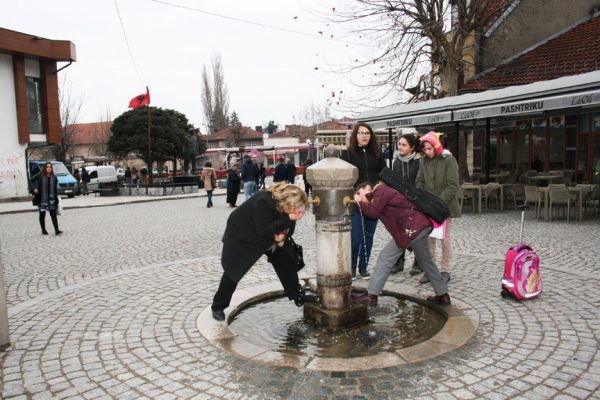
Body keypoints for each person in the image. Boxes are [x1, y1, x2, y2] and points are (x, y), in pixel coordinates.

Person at [211, 182, 314, 321]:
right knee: (234, 270)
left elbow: (289, 228)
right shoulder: (263, 200)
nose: (296, 210)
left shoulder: (287, 208)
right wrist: (287, 220)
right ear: (286, 201)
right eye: (294, 207)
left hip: (269, 235)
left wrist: (283, 235)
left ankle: (298, 296)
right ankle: (218, 306)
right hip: (244, 236)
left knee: (286, 261)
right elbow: (264, 229)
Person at [350, 181, 451, 305]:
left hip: (411, 228)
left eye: (359, 193)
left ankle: (371, 295)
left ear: (368, 188)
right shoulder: (381, 193)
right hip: (419, 226)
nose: (359, 196)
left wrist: (358, 202)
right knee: (426, 262)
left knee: (385, 257)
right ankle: (442, 294)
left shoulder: (380, 190)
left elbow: (372, 212)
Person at [341, 122, 386, 278]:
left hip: (374, 202)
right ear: (356, 135)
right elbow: (344, 178)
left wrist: (377, 190)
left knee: (369, 236)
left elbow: (384, 176)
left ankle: (363, 267)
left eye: (367, 133)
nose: (364, 135)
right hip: (356, 202)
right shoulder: (347, 155)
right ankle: (352, 266)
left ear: (371, 135)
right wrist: (354, 194)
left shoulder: (378, 154)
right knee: (356, 238)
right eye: (361, 133)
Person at [415, 131, 461, 284]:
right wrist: (421, 197)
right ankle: (430, 270)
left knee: (444, 238)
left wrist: (438, 202)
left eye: (429, 148)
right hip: (428, 206)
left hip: (444, 207)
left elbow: (452, 185)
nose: (427, 152)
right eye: (424, 149)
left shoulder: (449, 160)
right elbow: (420, 181)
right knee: (429, 239)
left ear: (436, 146)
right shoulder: (423, 161)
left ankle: (445, 270)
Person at [391, 133, 421, 275]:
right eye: (399, 144)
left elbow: (420, 183)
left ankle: (418, 262)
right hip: (400, 202)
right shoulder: (396, 161)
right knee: (399, 232)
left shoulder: (419, 162)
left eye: (404, 145)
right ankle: (399, 261)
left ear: (412, 147)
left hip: (416, 202)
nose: (400, 147)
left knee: (416, 232)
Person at [32, 162, 63, 236]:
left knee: (53, 214)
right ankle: (43, 230)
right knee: (42, 215)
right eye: (47, 167)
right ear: (44, 168)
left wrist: (56, 199)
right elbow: (32, 180)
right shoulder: (40, 176)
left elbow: (55, 189)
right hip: (42, 199)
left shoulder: (54, 177)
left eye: (50, 167)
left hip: (51, 199)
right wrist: (35, 188)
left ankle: (56, 230)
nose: (49, 168)